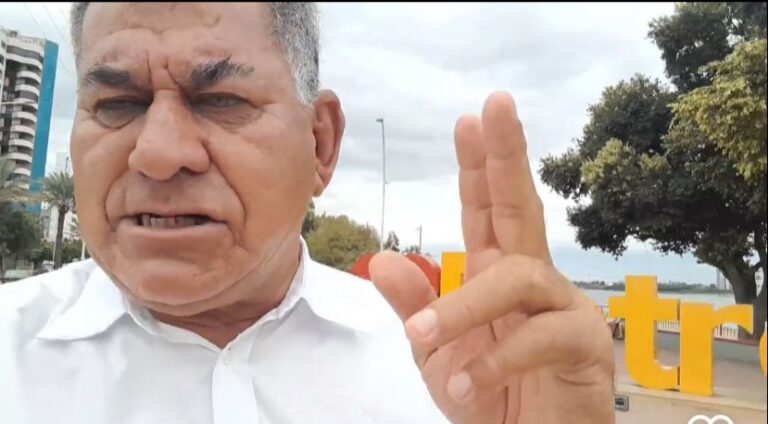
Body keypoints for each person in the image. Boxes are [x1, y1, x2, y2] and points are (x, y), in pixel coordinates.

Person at [0, 3, 615, 423]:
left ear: (320, 143)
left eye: (219, 100)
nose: (158, 154)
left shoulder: (447, 376)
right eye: (117, 104)